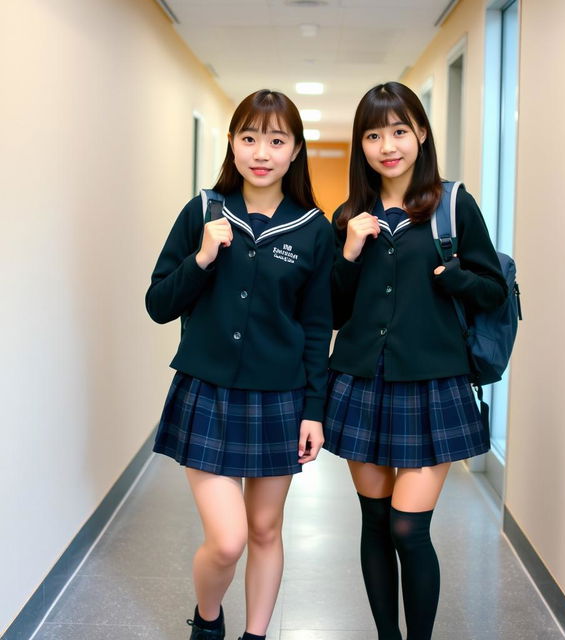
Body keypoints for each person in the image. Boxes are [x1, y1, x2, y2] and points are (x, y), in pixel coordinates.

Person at [146, 89, 333, 640]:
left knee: (265, 529)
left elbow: (317, 328)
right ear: (231, 142)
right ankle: (208, 621)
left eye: (276, 141)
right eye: (249, 138)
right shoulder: (203, 211)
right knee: (226, 541)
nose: (261, 152)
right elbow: (159, 305)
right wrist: (202, 258)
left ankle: (255, 635)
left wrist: (313, 411)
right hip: (207, 395)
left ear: (295, 149)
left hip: (279, 399)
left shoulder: (312, 230)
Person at [323, 81, 508, 639]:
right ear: (362, 145)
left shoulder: (453, 205)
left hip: (433, 385)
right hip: (361, 382)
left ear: (421, 134)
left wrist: (457, 279)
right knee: (375, 523)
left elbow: (494, 290)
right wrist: (350, 251)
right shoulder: (349, 216)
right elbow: (331, 311)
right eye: (374, 134)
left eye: (399, 131)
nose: (388, 145)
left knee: (408, 527)